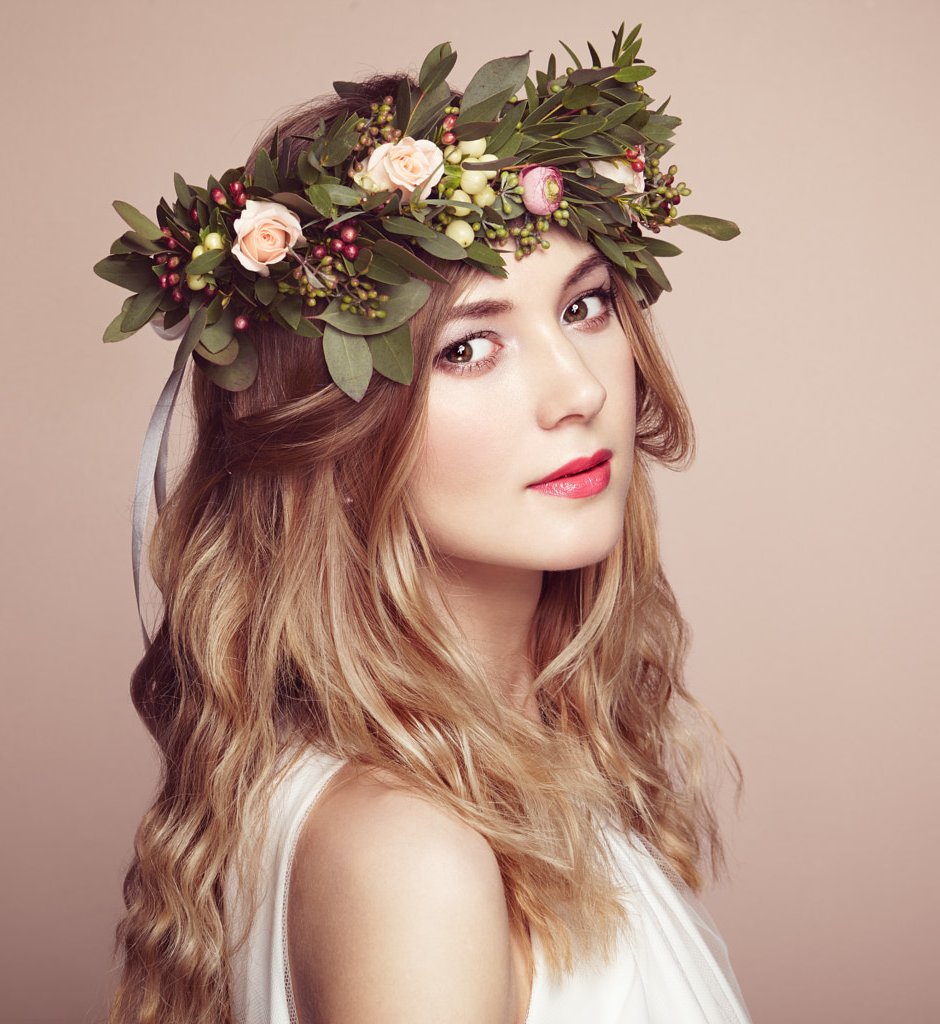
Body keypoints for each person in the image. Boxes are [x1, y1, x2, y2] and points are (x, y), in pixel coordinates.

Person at [97, 27, 748, 1024]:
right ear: (335, 432)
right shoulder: (410, 856)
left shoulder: (507, 774)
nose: (576, 390)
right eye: (467, 348)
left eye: (583, 307)